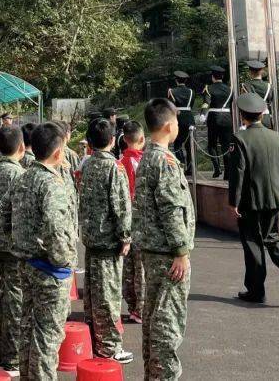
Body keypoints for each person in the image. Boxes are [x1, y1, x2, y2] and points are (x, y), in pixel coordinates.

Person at [133, 98, 195, 381]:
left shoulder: (148, 155)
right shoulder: (165, 161)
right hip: (167, 254)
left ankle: (153, 375)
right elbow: (171, 209)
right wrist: (181, 250)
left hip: (152, 249)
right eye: (178, 122)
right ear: (170, 126)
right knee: (167, 324)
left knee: (154, 318)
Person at [10, 122, 77, 381]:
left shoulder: (23, 176)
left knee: (29, 330)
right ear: (58, 151)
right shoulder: (51, 183)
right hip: (49, 269)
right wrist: (63, 263)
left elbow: (3, 217)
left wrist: (18, 244)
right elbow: (56, 228)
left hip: (27, 263)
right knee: (47, 338)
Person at [227, 92, 279, 304]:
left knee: (252, 242)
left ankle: (256, 290)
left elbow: (238, 172)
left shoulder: (239, 138)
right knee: (273, 238)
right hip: (275, 198)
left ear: (243, 115)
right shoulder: (277, 137)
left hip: (250, 200)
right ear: (262, 114)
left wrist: (234, 200)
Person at [78, 118, 133, 364]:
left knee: (92, 292)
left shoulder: (87, 164)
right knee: (108, 295)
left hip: (91, 237)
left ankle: (93, 337)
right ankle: (109, 346)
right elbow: (120, 205)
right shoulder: (114, 167)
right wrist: (125, 236)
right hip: (109, 240)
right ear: (113, 141)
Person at [0, 126, 26, 376]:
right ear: (21, 147)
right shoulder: (19, 175)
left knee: (0, 297)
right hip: (12, 247)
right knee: (13, 301)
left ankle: (2, 354)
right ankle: (11, 358)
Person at [118, 121, 146, 325]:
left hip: (125, 221)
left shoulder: (119, 163)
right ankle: (141, 308)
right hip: (141, 220)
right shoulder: (143, 162)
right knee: (141, 269)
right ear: (142, 139)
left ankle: (132, 305)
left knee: (128, 267)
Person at [200, 66, 233, 178]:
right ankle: (228, 172)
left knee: (212, 145)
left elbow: (206, 103)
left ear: (213, 76)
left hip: (214, 118)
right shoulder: (230, 89)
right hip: (227, 118)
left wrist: (203, 115)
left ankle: (217, 168)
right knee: (226, 145)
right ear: (222, 76)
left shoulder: (209, 88)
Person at [167, 72, 196, 170]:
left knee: (177, 144)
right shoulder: (191, 91)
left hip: (178, 119)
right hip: (189, 118)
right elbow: (191, 105)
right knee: (189, 145)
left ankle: (182, 164)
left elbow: (170, 107)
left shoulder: (172, 91)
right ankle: (190, 167)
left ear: (176, 80)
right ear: (186, 80)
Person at [242, 60, 276, 130]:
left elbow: (243, 104)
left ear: (250, 72)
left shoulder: (245, 86)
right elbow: (273, 102)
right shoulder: (269, 86)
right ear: (261, 72)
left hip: (251, 119)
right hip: (266, 118)